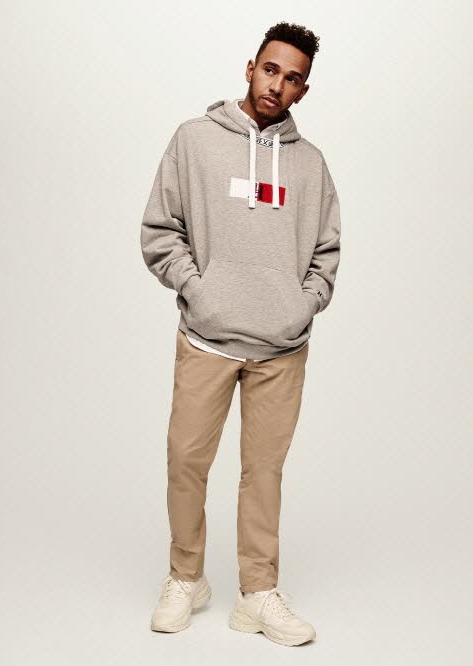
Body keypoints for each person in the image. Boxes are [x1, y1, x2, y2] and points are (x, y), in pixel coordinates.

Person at [140, 21, 341, 647]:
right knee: (186, 459)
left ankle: (257, 593)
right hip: (207, 337)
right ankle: (186, 577)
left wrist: (302, 305)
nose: (277, 85)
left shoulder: (310, 165)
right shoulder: (194, 140)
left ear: (303, 90)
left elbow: (327, 252)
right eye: (270, 69)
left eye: (293, 78)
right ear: (250, 68)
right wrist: (198, 290)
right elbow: (160, 231)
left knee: (264, 472)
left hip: (281, 348)